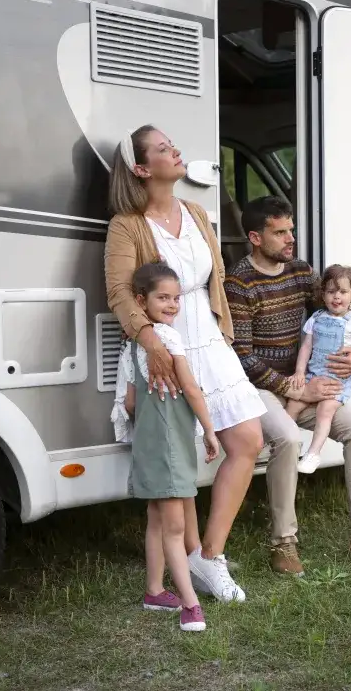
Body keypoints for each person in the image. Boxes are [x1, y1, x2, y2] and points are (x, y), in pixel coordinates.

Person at [104, 124, 266, 604]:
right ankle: (191, 554)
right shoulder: (127, 224)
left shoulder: (196, 212)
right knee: (184, 454)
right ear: (140, 168)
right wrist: (153, 344)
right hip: (162, 344)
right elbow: (118, 292)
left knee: (247, 439)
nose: (175, 151)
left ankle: (209, 556)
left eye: (172, 144)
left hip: (208, 340)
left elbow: (212, 282)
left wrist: (226, 334)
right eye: (162, 148)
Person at [224, 195, 351, 578]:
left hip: (305, 384)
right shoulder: (239, 282)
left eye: (291, 229)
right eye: (280, 232)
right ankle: (284, 542)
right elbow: (242, 357)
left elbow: (336, 316)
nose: (290, 238)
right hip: (261, 388)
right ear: (255, 237)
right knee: (287, 439)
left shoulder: (300, 272)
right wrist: (295, 389)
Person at [121, 262, 218, 632]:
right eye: (163, 297)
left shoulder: (132, 345)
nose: (173, 304)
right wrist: (209, 429)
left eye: (176, 298)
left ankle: (154, 591)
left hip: (148, 443)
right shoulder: (169, 339)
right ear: (141, 301)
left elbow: (130, 403)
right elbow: (191, 389)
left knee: (157, 519)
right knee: (175, 527)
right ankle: (190, 606)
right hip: (169, 445)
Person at [287, 265, 351, 474]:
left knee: (325, 409)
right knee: (294, 404)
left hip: (336, 382)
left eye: (343, 292)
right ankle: (282, 443)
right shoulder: (316, 319)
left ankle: (313, 453)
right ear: (323, 294)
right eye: (331, 292)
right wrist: (299, 372)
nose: (337, 297)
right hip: (314, 377)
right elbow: (306, 347)